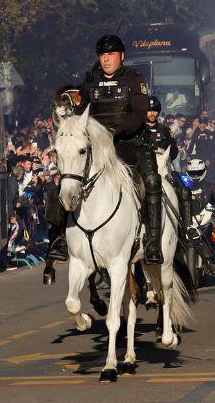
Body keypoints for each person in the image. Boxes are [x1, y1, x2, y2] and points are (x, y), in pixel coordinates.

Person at [75, 34, 163, 264]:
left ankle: (153, 241)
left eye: (111, 54)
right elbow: (79, 109)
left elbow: (140, 112)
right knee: (66, 179)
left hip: (130, 143)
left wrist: (115, 131)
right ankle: (60, 239)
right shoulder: (89, 81)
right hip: (97, 148)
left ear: (122, 56)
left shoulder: (134, 79)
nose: (106, 59)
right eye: (103, 55)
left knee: (152, 181)